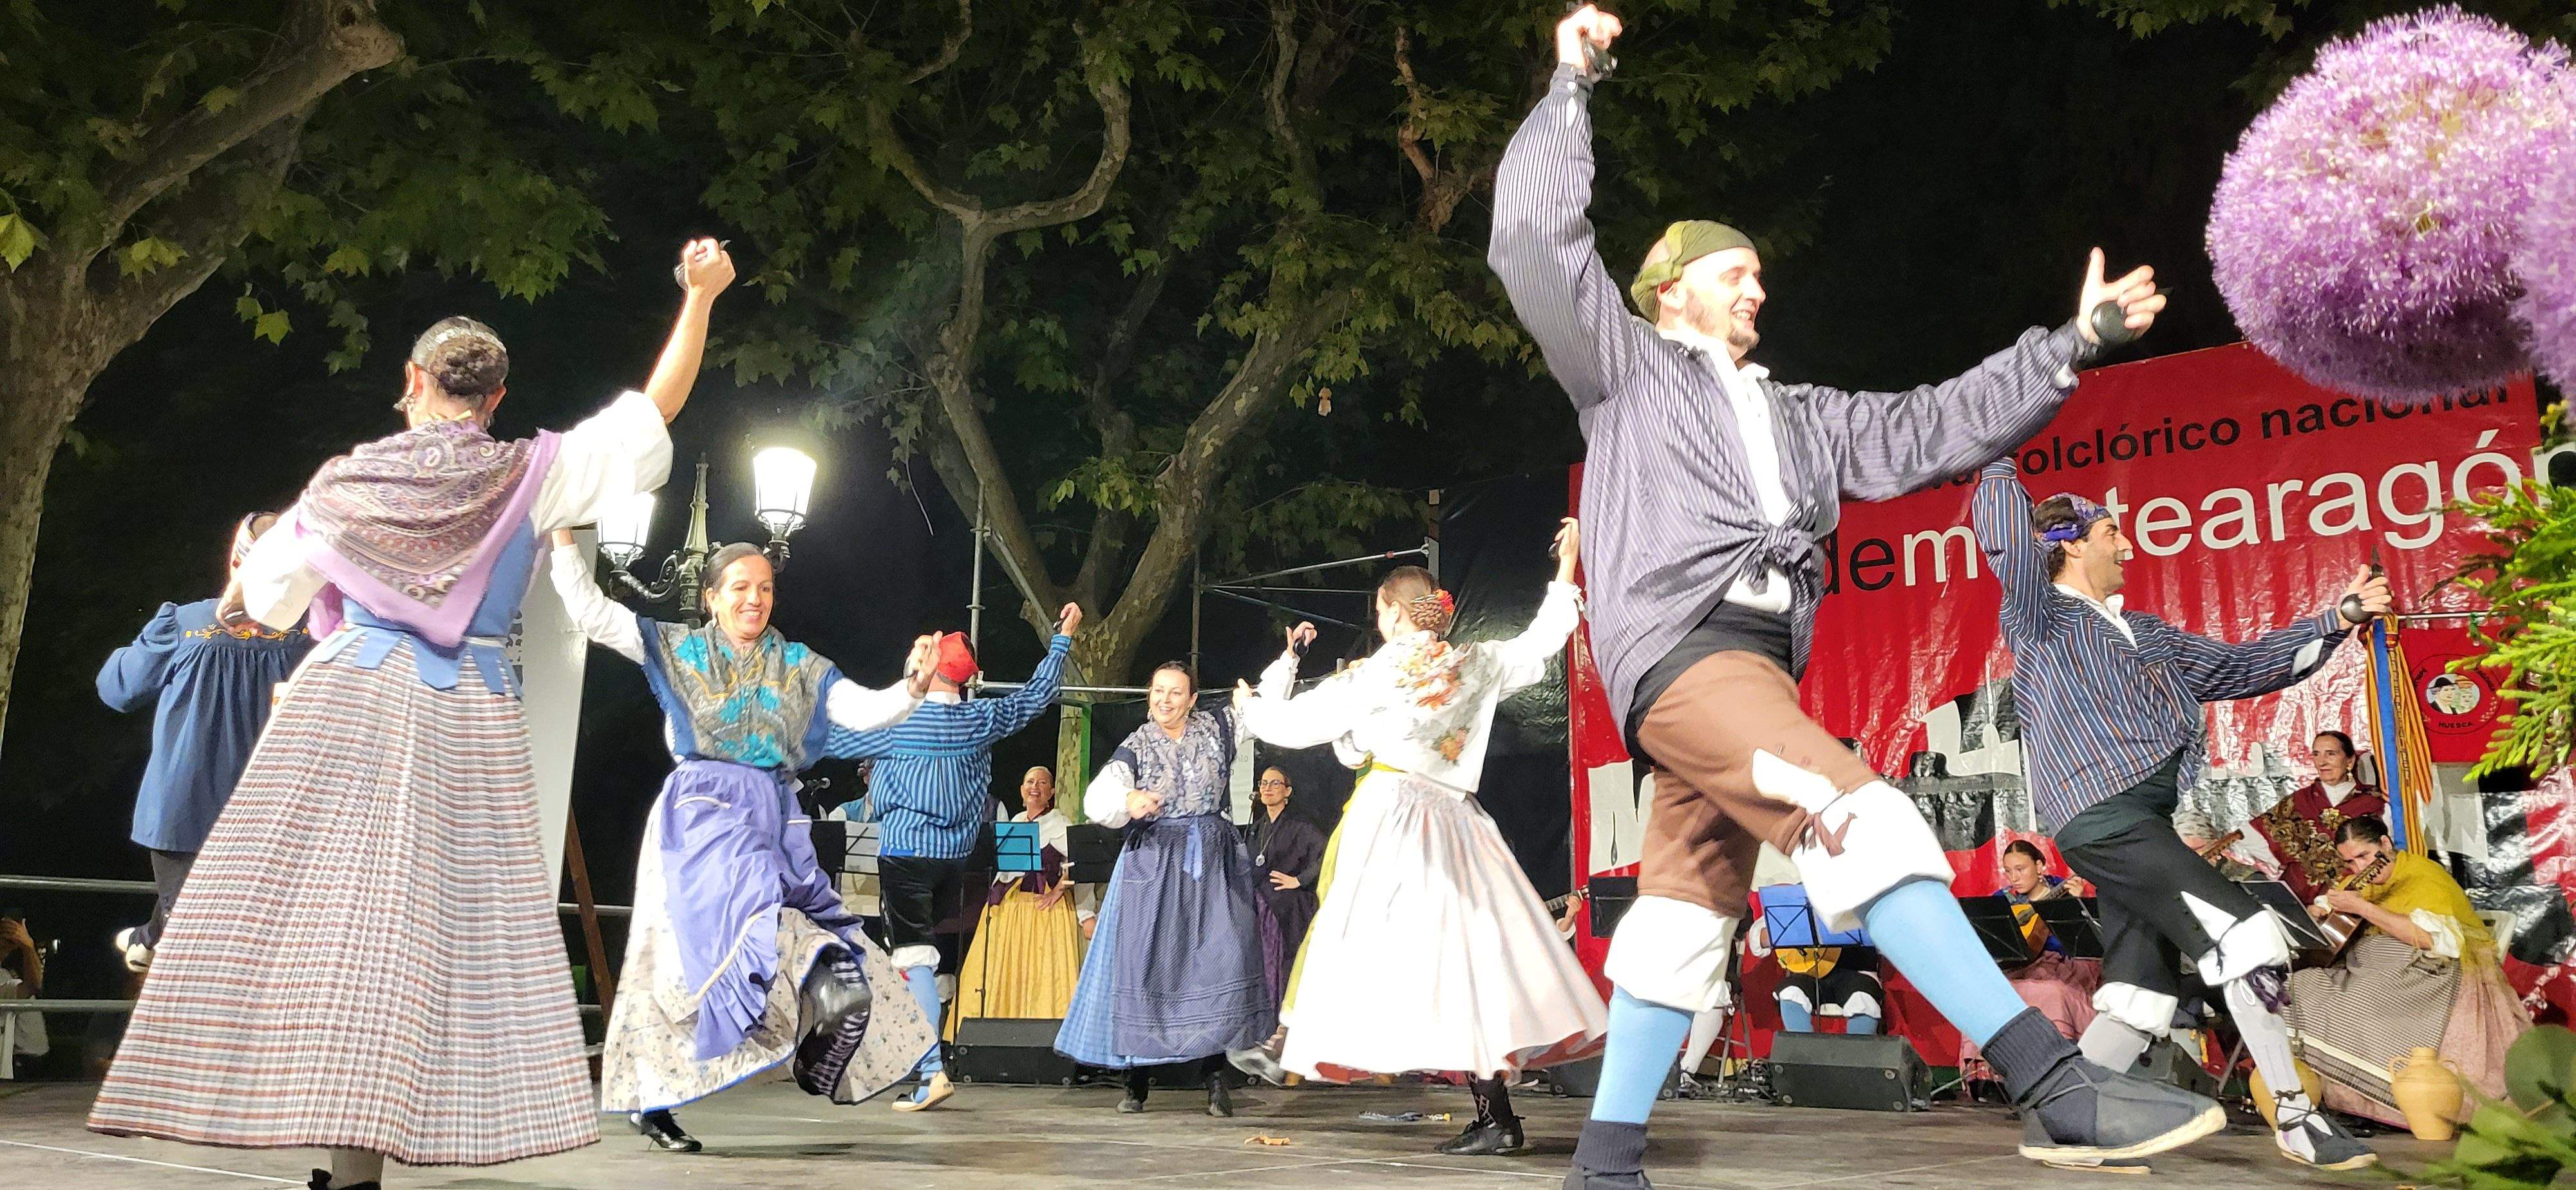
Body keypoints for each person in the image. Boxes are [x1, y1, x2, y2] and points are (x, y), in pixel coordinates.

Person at [1490, 8, 2210, 1184]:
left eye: (1763, 279)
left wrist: (2067, 343)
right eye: (1738, 275)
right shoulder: (1624, 369)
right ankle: (2056, 1085)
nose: (1758, 292)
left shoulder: (1808, 414)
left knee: (1681, 920)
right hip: (1684, 654)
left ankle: (1605, 1163)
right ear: (1669, 289)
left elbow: (1932, 422)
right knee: (1864, 813)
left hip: (1754, 676)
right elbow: (1531, 242)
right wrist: (1572, 80)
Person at [88, 239, 735, 1190]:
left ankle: (323, 1145)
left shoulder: (345, 485)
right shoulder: (531, 473)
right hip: (467, 712)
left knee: (324, 930)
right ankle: (387, 1146)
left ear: (412, 381)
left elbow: (260, 601)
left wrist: (239, 610)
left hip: (348, 704)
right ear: (496, 397)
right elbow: (656, 409)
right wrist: (701, 298)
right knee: (449, 939)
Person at [1970, 453, 2390, 1171]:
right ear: (2071, 542)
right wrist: (1996, 454)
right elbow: (2009, 535)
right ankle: (2295, 1116)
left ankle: (2060, 1125)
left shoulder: (2151, 634)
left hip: (2142, 823)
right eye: (2111, 532)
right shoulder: (2037, 616)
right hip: (2103, 817)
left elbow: (2241, 666)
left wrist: (2339, 618)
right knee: (2249, 936)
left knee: (2140, 990)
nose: (2127, 545)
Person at [548, 529, 943, 1152]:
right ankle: (659, 1095)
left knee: (777, 916)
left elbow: (863, 710)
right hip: (700, 818)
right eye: (740, 588)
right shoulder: (676, 648)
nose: (754, 599)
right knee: (680, 955)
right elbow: (593, 614)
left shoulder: (800, 666)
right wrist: (564, 541)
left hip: (771, 813)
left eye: (765, 588)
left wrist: (912, 688)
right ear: (710, 598)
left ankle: (824, 997)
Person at [1232, 518, 1605, 1157]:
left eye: (1380, 611)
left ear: (1395, 613)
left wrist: (1253, 706)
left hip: (1395, 811)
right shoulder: (1474, 661)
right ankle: (1496, 1116)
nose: (1379, 623)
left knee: (1348, 926)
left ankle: (1287, 1040)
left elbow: (1301, 723)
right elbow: (1542, 640)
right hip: (1458, 821)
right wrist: (1566, 567)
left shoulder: (1379, 673)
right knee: (1471, 963)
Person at [822, 614, 1076, 1111]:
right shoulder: (980, 720)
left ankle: (931, 1069)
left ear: (934, 669)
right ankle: (915, 1061)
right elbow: (1037, 695)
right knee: (924, 962)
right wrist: (1062, 640)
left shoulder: (899, 721)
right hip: (955, 860)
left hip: (905, 851)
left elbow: (829, 741)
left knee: (912, 958)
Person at [95, 513, 314, 972]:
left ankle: (153, 938)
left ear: (237, 559)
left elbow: (119, 692)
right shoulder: (311, 640)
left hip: (183, 807)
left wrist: (123, 655)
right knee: (252, 939)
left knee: (198, 939)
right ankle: (150, 937)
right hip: (270, 809)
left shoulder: (182, 622)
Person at [1056, 663, 1275, 1116]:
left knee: (1217, 962)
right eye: (1158, 691)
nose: (1165, 700)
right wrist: (1128, 801)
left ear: (1193, 698)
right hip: (1154, 865)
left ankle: (1215, 1077)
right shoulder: (1136, 745)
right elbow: (1098, 797)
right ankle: (1135, 1081)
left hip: (1212, 863)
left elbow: (1262, 705)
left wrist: (1289, 658)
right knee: (1145, 964)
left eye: (1175, 693)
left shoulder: (1217, 727)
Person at [2286, 815, 2531, 1129]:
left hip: (2426, 970)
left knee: (2357, 999)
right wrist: (2317, 913)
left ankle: (2388, 1098)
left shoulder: (2424, 876)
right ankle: (2327, 1095)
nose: (2358, 868)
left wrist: (2366, 909)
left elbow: (2436, 941)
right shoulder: (2358, 883)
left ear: (2385, 845)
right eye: (2349, 861)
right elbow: (2332, 922)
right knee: (2297, 985)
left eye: (2364, 856)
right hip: (2368, 967)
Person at [948, 766, 1094, 1036]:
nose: (1035, 787)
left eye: (1042, 783)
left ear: (1051, 792)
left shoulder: (1060, 824)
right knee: (1003, 973)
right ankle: (998, 1034)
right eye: (1029, 782)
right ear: (1021, 790)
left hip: (1044, 910)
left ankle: (1045, 1037)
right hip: (1012, 909)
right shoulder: (1015, 821)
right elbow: (1006, 871)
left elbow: (1082, 863)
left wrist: (1062, 893)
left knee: (1044, 975)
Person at [1962, 841, 2102, 1082]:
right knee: (1982, 994)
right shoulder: (2002, 899)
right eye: (2008, 871)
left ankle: (2055, 1071)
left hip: (2061, 966)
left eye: (2021, 869)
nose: (2014, 877)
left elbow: (2085, 941)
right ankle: (1992, 1078)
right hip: (2016, 968)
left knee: (2052, 993)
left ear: (2039, 865)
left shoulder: (2065, 889)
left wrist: (2074, 906)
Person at [2254, 731, 2387, 902]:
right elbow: (2258, 838)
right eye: (2317, 755)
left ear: (2350, 760)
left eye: (2331, 754)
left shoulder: (2373, 802)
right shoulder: (2299, 801)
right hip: (2299, 901)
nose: (2322, 762)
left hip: (2352, 900)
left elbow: (2387, 855)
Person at [1747, 885, 1882, 1035]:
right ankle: (1804, 1057)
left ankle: (1858, 1057)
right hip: (1809, 975)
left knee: (1863, 998)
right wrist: (1791, 932)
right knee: (1790, 992)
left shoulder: (1859, 891)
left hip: (1855, 972)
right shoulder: (1798, 895)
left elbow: (1885, 936)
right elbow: (1757, 941)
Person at [1243, 766, 1325, 1009]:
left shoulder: (1301, 827)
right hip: (1258, 906)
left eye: (1275, 784)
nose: (1267, 789)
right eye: (1264, 783)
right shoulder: (1256, 827)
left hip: (1286, 910)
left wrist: (1299, 880)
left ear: (1288, 790)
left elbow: (1326, 855)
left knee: (1280, 964)